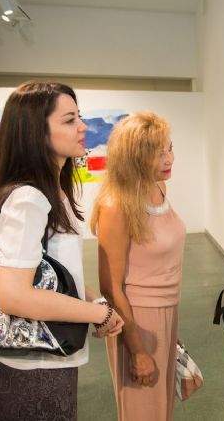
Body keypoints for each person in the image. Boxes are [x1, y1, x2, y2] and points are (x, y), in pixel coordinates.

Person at [0, 81, 124, 421]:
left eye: (79, 116)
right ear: (36, 132)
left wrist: (96, 303)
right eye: (70, 120)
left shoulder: (50, 191)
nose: (83, 126)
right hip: (32, 369)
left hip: (47, 356)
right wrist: (97, 315)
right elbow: (14, 296)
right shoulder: (28, 199)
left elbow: (56, 274)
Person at [90, 112, 186, 421]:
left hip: (167, 310)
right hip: (136, 317)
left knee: (161, 408)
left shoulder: (159, 188)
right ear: (134, 157)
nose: (169, 158)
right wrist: (138, 350)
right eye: (158, 153)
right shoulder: (115, 206)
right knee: (143, 410)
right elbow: (110, 287)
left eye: (170, 148)